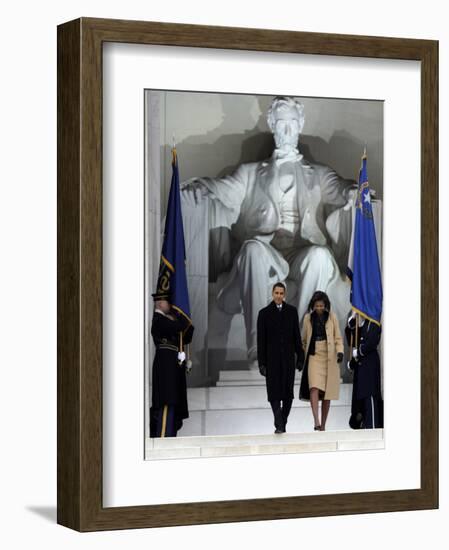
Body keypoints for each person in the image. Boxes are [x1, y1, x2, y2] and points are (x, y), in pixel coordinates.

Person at [182, 96, 355, 365]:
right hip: (267, 252)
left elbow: (341, 187)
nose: (287, 132)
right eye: (281, 124)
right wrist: (201, 185)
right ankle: (258, 348)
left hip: (302, 253)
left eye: (292, 124)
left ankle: (301, 344)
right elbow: (223, 188)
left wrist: (355, 192)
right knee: (251, 249)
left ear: (300, 125)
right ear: (273, 126)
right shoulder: (251, 173)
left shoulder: (318, 173)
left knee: (321, 256)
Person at [257, 282, 304, 433]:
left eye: (281, 293)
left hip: (288, 360)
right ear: (272, 294)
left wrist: (300, 358)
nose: (278, 296)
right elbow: (261, 341)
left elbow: (297, 337)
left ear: (284, 295)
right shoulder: (263, 313)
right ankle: (279, 423)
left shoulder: (292, 311)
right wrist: (262, 363)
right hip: (272, 361)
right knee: (274, 393)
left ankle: (282, 421)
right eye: (276, 293)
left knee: (288, 395)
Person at [150, 292, 194, 438]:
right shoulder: (159, 320)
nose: (172, 306)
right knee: (166, 403)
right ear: (161, 303)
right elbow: (179, 326)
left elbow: (187, 333)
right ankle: (164, 436)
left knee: (174, 404)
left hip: (173, 369)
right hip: (166, 369)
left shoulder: (169, 321)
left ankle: (169, 434)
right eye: (170, 303)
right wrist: (181, 314)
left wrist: (183, 318)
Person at [299, 290, 344, 431]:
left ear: (325, 306)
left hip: (329, 356)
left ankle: (323, 425)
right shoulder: (307, 318)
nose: (319, 308)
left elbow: (338, 337)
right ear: (313, 305)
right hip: (313, 355)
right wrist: (301, 356)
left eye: (321, 306)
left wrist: (340, 351)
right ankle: (316, 421)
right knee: (314, 387)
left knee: (327, 393)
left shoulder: (332, 317)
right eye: (316, 305)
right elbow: (304, 340)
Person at [345, 312, 383, 429]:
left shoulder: (373, 322)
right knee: (362, 399)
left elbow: (371, 342)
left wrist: (359, 351)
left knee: (370, 396)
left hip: (370, 365)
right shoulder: (365, 323)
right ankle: (366, 425)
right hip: (361, 367)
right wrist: (353, 317)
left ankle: (372, 426)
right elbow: (352, 334)